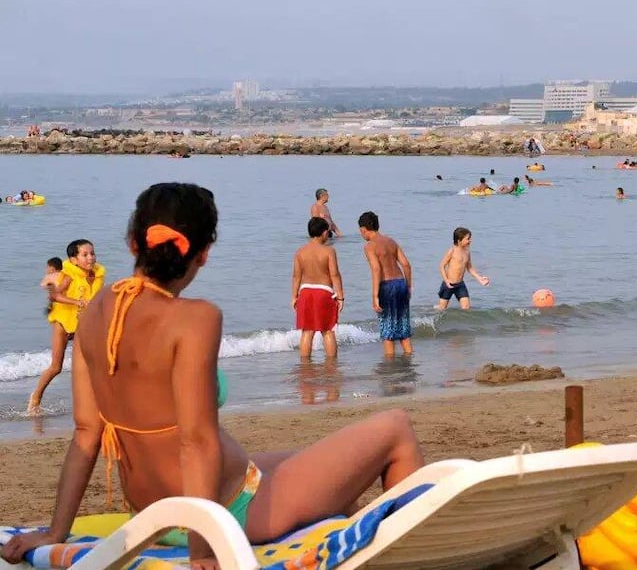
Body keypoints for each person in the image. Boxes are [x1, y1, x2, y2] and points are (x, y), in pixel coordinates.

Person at [0, 183, 425, 568]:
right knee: (396, 427)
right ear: (204, 253)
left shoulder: (94, 312)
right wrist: (203, 551)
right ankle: (414, 557)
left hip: (151, 512)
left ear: (133, 243)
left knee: (316, 466)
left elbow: (85, 435)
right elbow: (197, 441)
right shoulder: (195, 318)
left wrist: (55, 534)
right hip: (225, 510)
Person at [29, 240, 106, 414]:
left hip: (83, 325)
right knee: (56, 367)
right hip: (63, 324)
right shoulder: (70, 275)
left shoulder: (98, 275)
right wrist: (77, 302)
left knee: (93, 363)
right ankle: (36, 397)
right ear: (73, 260)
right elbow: (55, 296)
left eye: (92, 253)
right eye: (85, 255)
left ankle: (95, 402)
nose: (90, 258)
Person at [358, 212, 413, 356]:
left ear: (363, 229)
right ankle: (409, 360)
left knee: (388, 331)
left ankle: (390, 365)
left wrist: (375, 296)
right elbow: (406, 265)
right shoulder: (391, 242)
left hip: (387, 286)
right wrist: (408, 286)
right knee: (403, 328)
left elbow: (376, 269)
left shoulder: (369, 246)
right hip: (401, 283)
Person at [292, 217, 345, 359]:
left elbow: (296, 276)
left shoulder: (300, 252)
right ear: (324, 232)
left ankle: (305, 364)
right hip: (323, 292)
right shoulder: (329, 251)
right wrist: (340, 297)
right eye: (327, 232)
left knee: (307, 331)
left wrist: (294, 296)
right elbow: (335, 274)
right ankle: (331, 364)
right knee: (327, 330)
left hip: (305, 292)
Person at [438, 227, 490, 310]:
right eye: (468, 239)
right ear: (459, 241)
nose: (470, 240)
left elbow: (470, 268)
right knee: (441, 309)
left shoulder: (467, 252)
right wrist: (446, 281)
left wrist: (480, 279)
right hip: (448, 284)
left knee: (466, 308)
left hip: (460, 285)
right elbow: (442, 266)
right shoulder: (452, 251)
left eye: (470, 238)